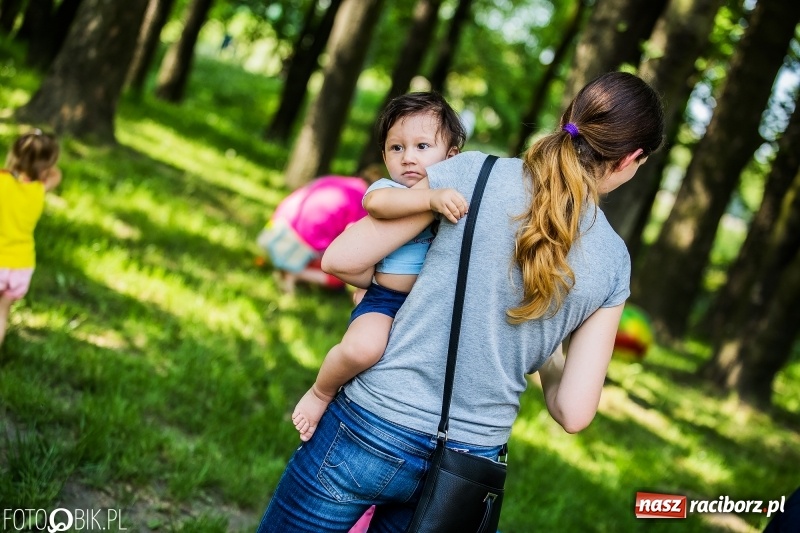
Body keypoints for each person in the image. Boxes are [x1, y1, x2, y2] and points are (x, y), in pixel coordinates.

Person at [256, 71, 665, 532]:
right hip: (466, 466)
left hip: (371, 425)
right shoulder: (613, 261)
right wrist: (548, 353)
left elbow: (340, 258)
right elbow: (573, 412)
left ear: (570, 116)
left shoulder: (473, 173)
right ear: (632, 159)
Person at [291, 92, 468, 442]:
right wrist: (428, 199)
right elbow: (377, 204)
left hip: (431, 307)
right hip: (385, 299)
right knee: (363, 349)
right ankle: (321, 392)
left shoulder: (454, 196)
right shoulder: (390, 189)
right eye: (396, 148)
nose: (407, 158)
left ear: (451, 157)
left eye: (421, 146)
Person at [256, 165, 383, 293]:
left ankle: (286, 264)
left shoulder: (338, 180)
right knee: (340, 273)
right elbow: (352, 242)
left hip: (277, 224)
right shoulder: (364, 201)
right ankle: (295, 273)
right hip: (301, 240)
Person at [0, 130, 61, 348]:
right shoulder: (38, 190)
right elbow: (56, 175)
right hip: (20, 266)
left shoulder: (2, 182)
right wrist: (41, 163)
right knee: (2, 314)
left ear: (15, 155)